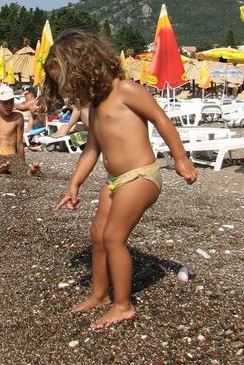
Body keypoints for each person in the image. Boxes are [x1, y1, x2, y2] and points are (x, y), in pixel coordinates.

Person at [44, 29, 197, 330]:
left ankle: (123, 305)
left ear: (84, 67)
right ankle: (99, 295)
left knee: (114, 237)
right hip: (115, 179)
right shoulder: (94, 106)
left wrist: (181, 159)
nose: (67, 90)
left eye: (67, 81)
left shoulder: (126, 90)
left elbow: (160, 119)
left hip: (141, 176)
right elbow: (92, 149)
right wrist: (74, 184)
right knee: (98, 236)